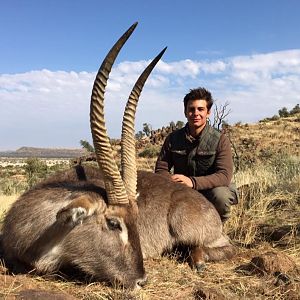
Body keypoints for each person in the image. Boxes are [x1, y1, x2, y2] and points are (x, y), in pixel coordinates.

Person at [155, 87, 238, 222]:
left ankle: (219, 229)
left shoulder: (220, 139)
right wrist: (172, 182)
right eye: (191, 109)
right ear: (185, 112)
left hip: (209, 190)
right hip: (180, 190)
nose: (195, 113)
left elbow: (224, 176)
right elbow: (160, 169)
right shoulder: (172, 138)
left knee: (221, 196)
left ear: (208, 112)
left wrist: (192, 182)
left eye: (200, 109)